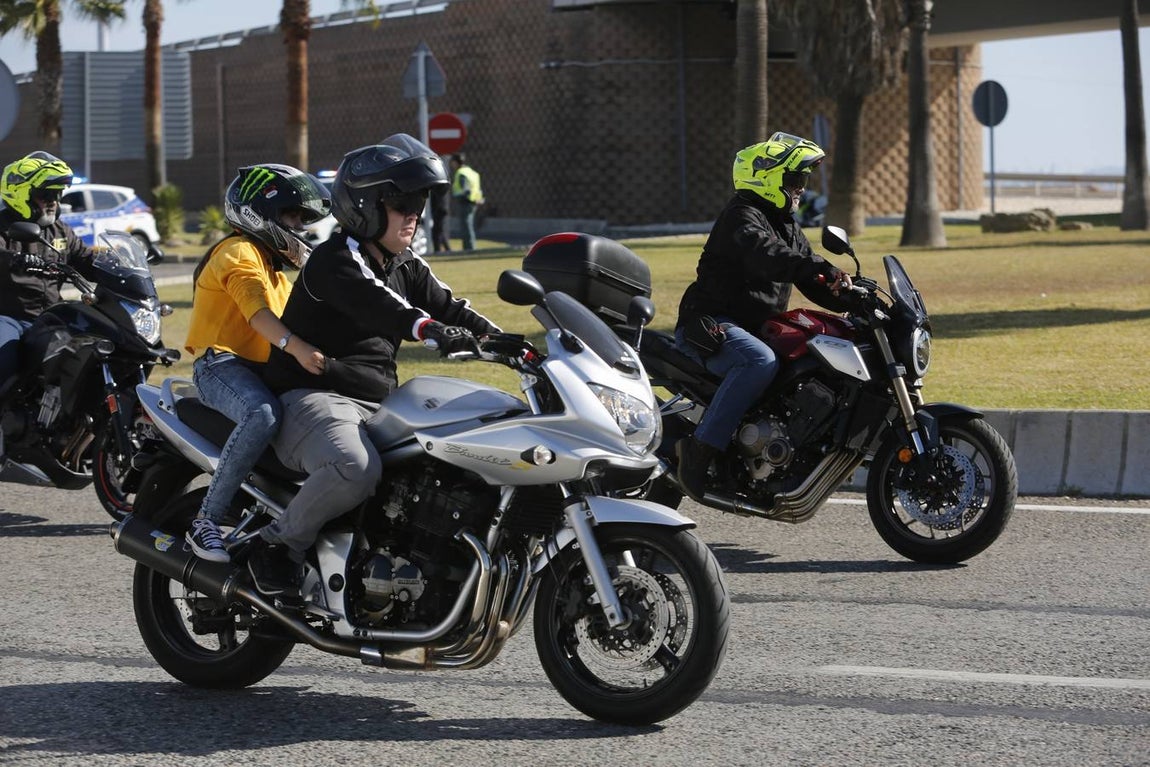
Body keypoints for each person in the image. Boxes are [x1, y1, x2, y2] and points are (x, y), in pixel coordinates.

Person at [249, 134, 501, 597]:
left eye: (420, 201)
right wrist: (431, 332)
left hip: (376, 400)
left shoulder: (403, 262)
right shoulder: (335, 261)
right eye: (403, 201)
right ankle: (277, 545)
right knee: (354, 466)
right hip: (312, 395)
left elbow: (447, 305)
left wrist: (508, 341)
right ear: (366, 205)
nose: (415, 213)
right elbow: (387, 307)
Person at [672, 132, 853, 502]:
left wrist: (849, 294)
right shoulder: (742, 216)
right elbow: (766, 254)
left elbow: (808, 276)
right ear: (768, 178)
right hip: (711, 325)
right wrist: (815, 265)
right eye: (796, 179)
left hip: (752, 328)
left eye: (803, 180)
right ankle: (698, 450)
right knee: (759, 360)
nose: (802, 189)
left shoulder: (787, 225)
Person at [182, 164, 330, 562]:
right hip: (221, 366)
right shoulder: (237, 252)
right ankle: (206, 520)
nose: (299, 227)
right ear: (258, 212)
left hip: (264, 372)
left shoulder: (277, 273)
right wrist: (296, 347)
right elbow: (256, 312)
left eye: (302, 219)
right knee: (261, 414)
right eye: (292, 215)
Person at [0, 151, 94, 399]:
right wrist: (16, 259)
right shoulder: (3, 226)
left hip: (52, 316)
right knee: (3, 358)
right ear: (21, 194)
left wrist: (120, 268)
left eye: (57, 194)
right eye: (45, 194)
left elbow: (85, 258)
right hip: (9, 317)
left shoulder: (59, 230)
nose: (53, 201)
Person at [449, 153, 483, 251]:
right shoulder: (472, 172)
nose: (452, 165)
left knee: (466, 226)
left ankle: (469, 248)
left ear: (456, 162)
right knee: (468, 225)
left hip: (465, 201)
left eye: (452, 162)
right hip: (474, 201)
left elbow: (465, 189)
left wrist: (465, 196)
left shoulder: (461, 173)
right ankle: (469, 247)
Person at [429, 182, 451, 253]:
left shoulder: (440, 185)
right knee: (440, 230)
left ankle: (438, 249)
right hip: (441, 208)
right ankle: (446, 248)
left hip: (439, 209)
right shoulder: (442, 184)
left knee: (438, 230)